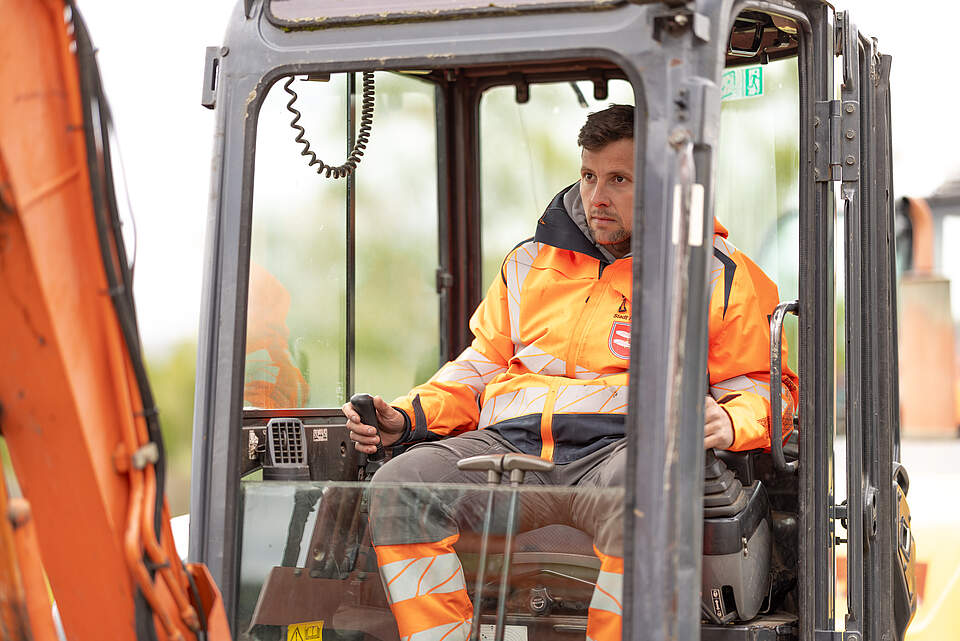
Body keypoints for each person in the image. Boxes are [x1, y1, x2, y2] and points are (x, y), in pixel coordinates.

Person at [342, 104, 798, 641]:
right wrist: (410, 416)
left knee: (648, 485)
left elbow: (766, 388)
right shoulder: (529, 262)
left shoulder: (717, 275)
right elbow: (482, 366)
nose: (596, 196)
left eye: (618, 180)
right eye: (588, 175)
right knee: (401, 483)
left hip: (620, 453)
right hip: (509, 451)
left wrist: (730, 420)